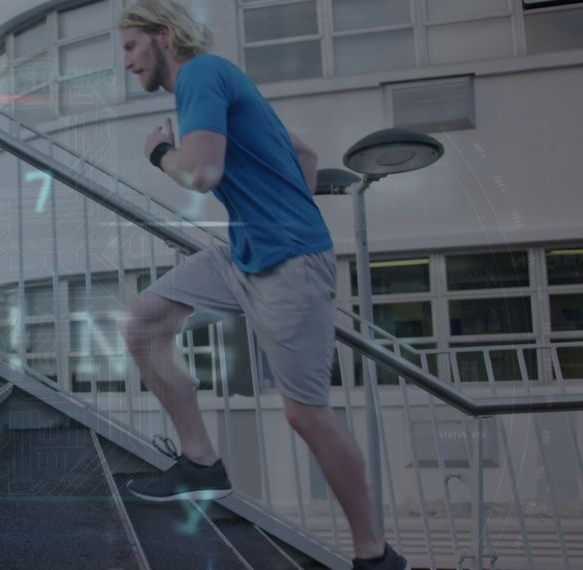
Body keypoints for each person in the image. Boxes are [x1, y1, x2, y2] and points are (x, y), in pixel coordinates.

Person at [115, 2, 408, 569]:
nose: (126, 62)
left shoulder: (199, 74)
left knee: (305, 415)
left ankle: (376, 554)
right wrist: (288, 203)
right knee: (141, 321)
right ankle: (200, 462)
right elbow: (304, 150)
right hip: (246, 254)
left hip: (292, 263)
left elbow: (201, 173)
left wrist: (157, 151)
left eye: (130, 47)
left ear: (162, 36)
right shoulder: (219, 82)